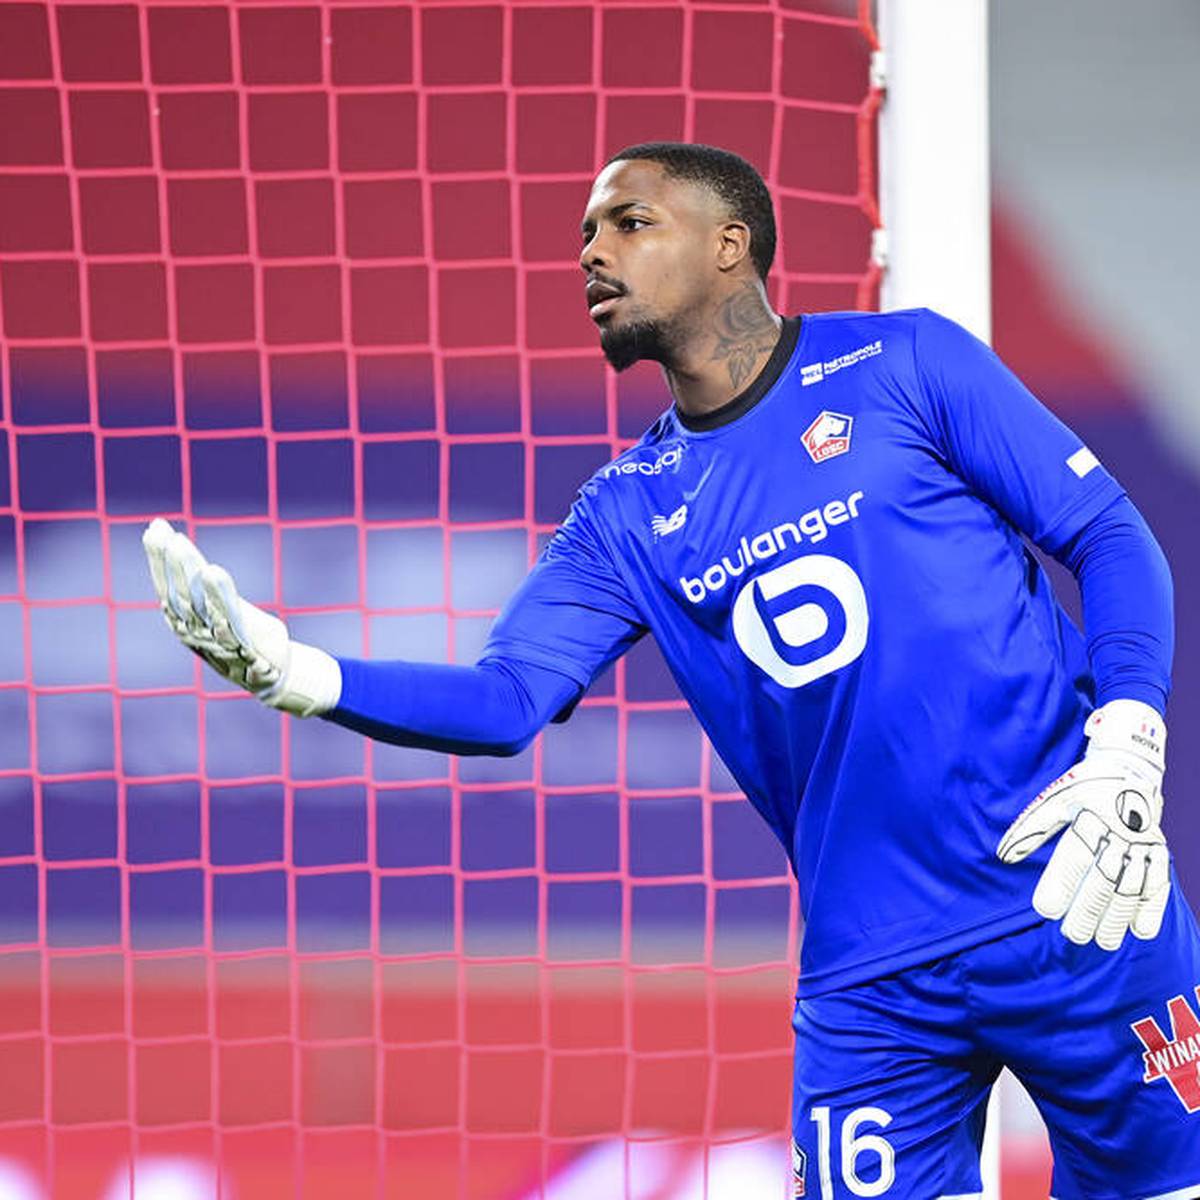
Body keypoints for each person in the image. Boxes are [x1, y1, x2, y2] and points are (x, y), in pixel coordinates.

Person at [144, 143, 1200, 1200]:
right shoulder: (626, 511)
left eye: (629, 222)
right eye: (586, 234)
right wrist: (294, 672)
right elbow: (507, 702)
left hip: (1082, 892)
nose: (592, 254)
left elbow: (1108, 534)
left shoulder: (910, 363)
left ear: (730, 244)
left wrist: (1128, 744)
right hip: (872, 979)